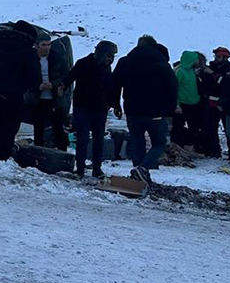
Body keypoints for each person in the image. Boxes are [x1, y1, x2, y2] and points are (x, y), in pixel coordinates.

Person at [112, 35, 177, 182]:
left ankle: (138, 175)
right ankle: (143, 168)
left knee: (137, 142)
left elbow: (114, 84)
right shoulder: (162, 65)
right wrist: (170, 110)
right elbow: (172, 89)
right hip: (156, 112)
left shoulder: (125, 62)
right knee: (159, 143)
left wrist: (115, 104)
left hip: (132, 111)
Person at [0, 21, 41, 161]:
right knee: (11, 124)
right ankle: (4, 156)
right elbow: (33, 76)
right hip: (14, 91)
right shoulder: (27, 50)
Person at [65, 40, 119, 178]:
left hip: (100, 109)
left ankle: (97, 168)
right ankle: (81, 168)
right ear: (100, 53)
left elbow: (109, 88)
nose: (110, 59)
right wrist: (61, 87)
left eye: (112, 56)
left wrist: (114, 105)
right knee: (82, 139)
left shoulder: (106, 68)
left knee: (98, 140)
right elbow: (70, 77)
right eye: (109, 55)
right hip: (83, 108)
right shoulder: (84, 63)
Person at [32, 37, 70, 150]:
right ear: (37, 45)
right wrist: (37, 85)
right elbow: (25, 77)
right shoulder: (31, 58)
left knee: (58, 127)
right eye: (43, 45)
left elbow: (66, 75)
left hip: (55, 98)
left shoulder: (58, 57)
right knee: (38, 128)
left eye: (48, 45)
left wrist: (53, 84)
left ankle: (62, 153)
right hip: (37, 98)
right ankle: (38, 152)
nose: (46, 48)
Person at [203, 46, 230, 159]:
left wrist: (213, 74)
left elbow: (226, 84)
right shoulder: (210, 67)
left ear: (225, 58)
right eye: (215, 56)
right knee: (211, 128)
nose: (216, 58)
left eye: (218, 56)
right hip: (210, 102)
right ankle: (214, 150)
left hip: (224, 103)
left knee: (229, 129)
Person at [174, 51, 205, 151]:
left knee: (194, 127)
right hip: (182, 103)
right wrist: (177, 104)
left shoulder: (192, 70)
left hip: (194, 103)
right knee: (178, 127)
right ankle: (177, 147)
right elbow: (174, 88)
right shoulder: (179, 71)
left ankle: (189, 148)